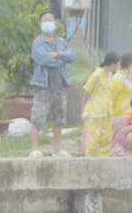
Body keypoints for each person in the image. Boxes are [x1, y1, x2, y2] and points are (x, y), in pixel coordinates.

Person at [28, 11, 73, 157]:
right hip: (44, 85)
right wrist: (61, 59)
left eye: (51, 20)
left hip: (60, 84)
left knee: (59, 117)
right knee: (38, 117)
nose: (48, 23)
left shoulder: (61, 41)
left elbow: (72, 55)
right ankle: (35, 148)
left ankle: (57, 149)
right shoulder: (38, 43)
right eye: (45, 21)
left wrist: (59, 54)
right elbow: (44, 60)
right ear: (40, 24)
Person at [80, 53, 118, 157]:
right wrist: (84, 109)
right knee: (93, 140)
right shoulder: (97, 74)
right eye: (117, 65)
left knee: (105, 140)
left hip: (106, 112)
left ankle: (103, 162)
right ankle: (91, 164)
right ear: (111, 64)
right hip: (94, 112)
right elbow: (87, 91)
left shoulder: (109, 75)